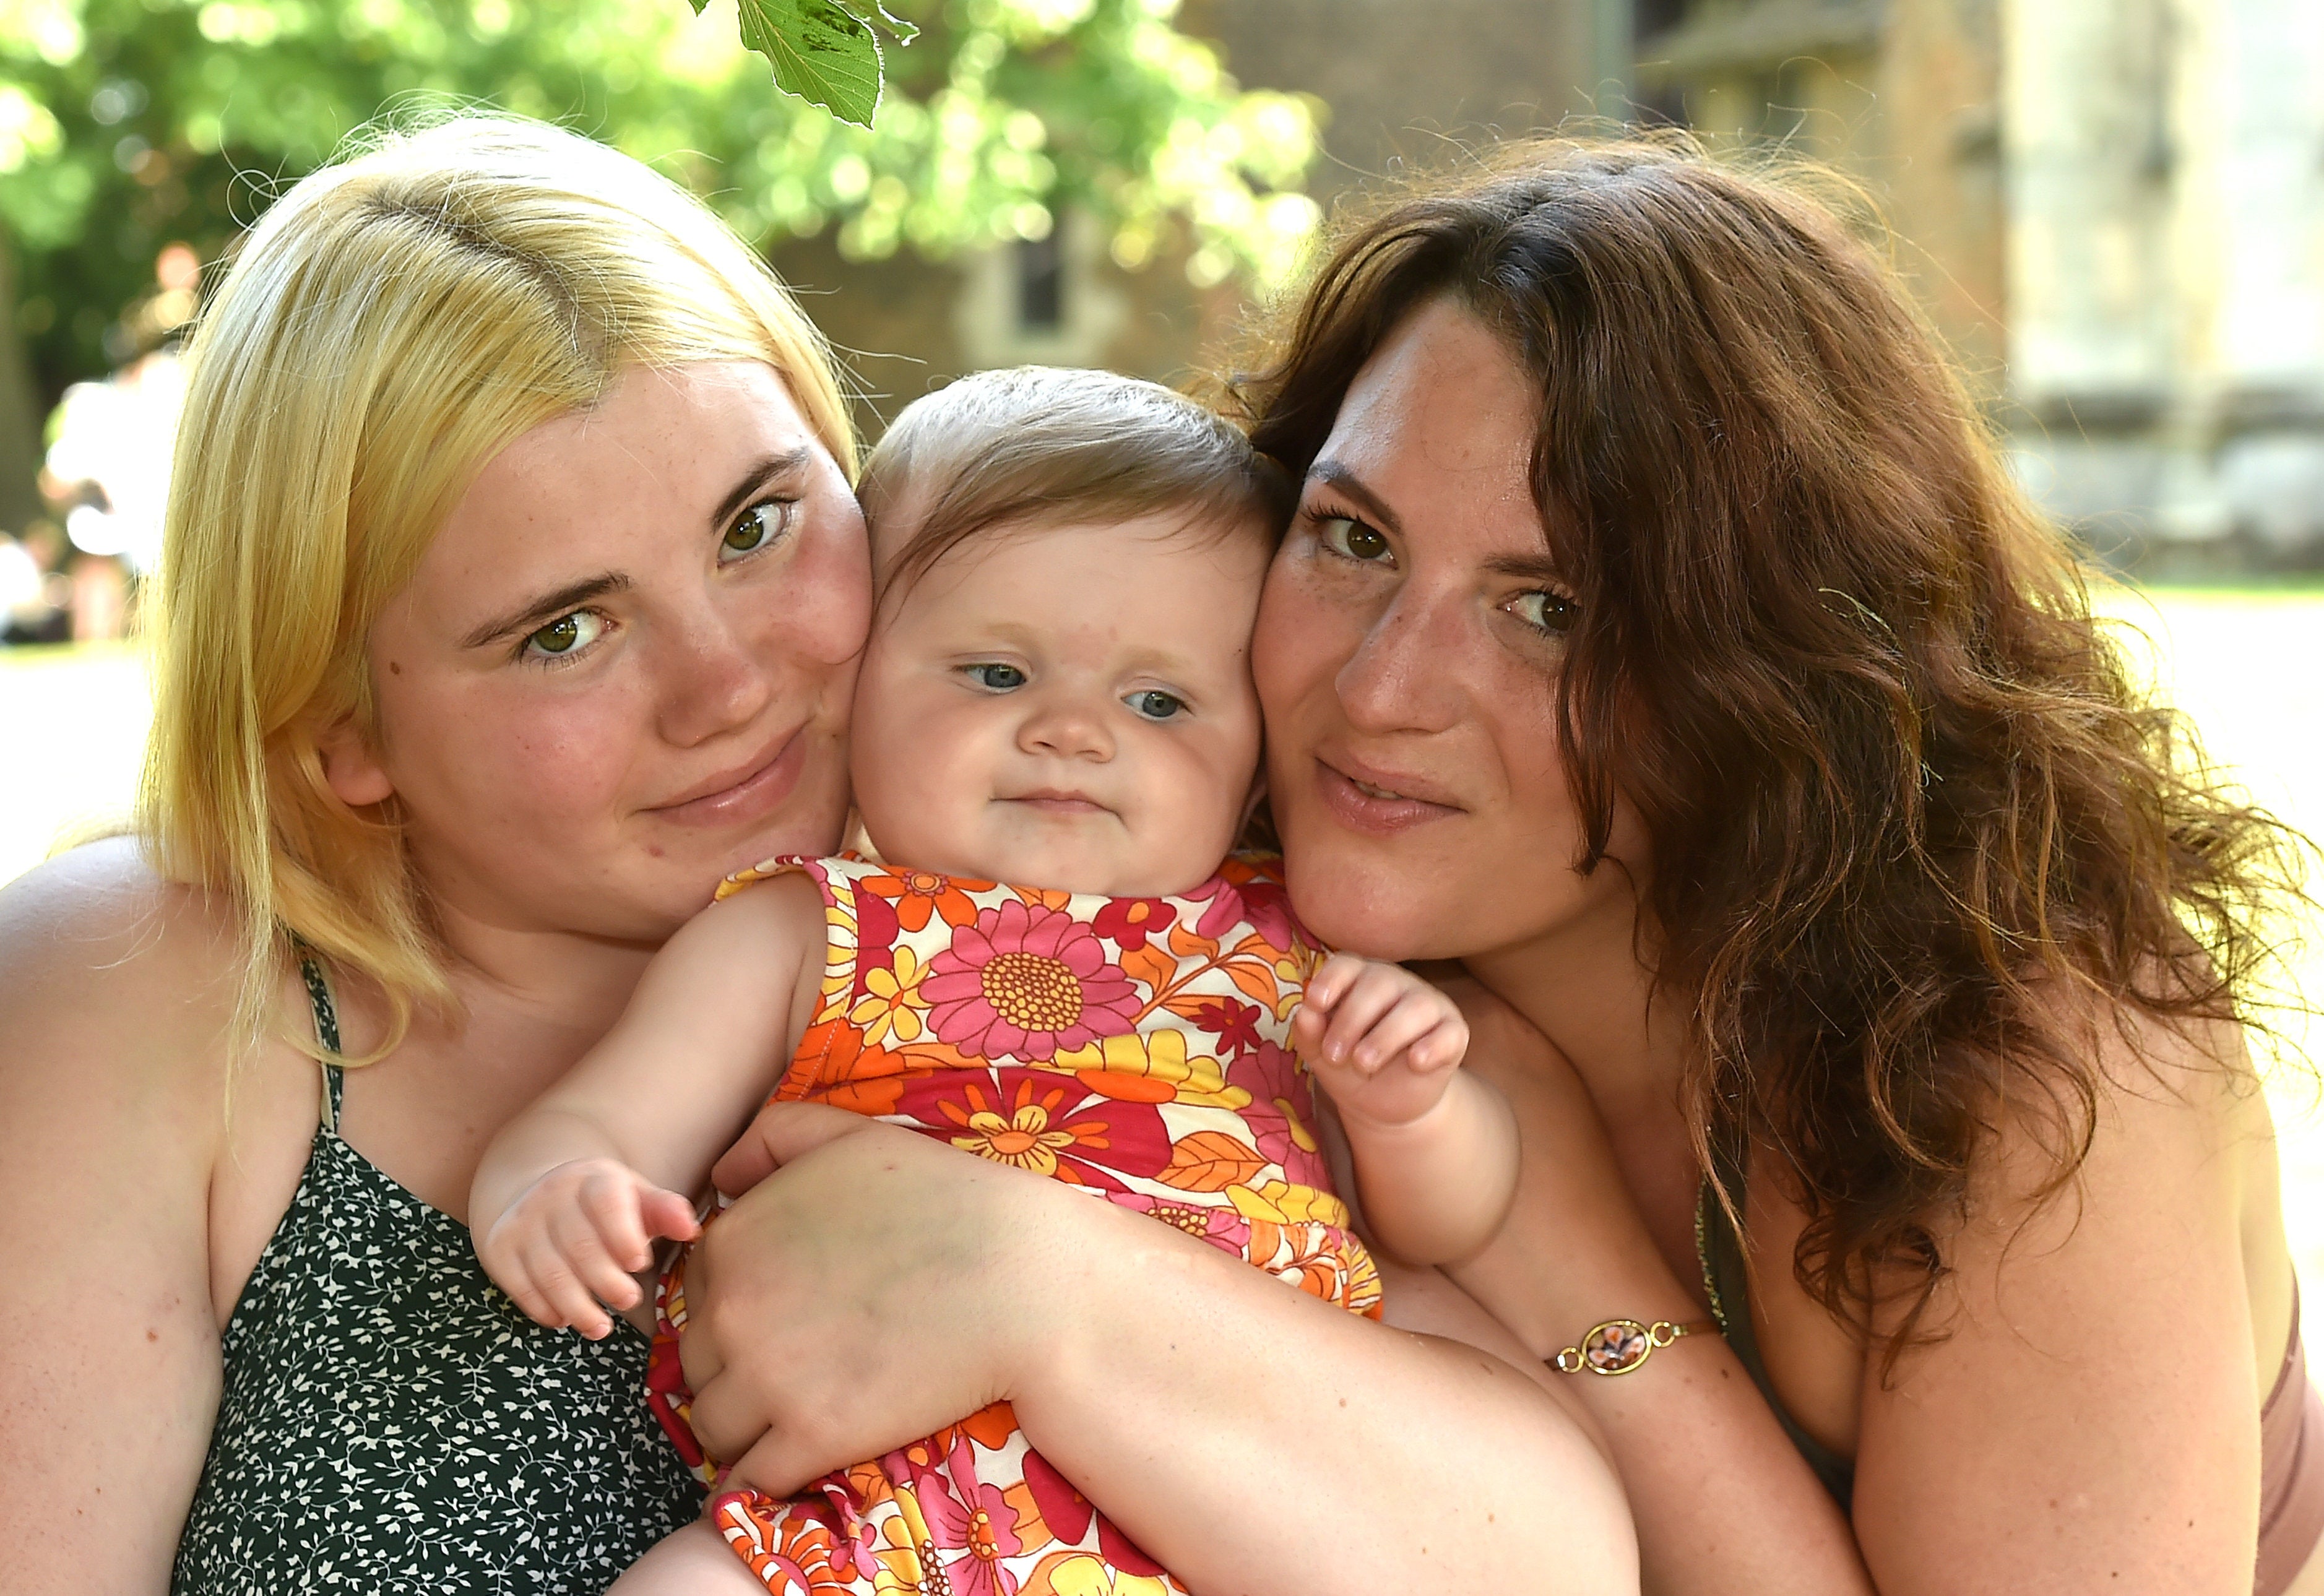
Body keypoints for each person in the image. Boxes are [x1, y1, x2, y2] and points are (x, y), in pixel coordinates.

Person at [667, 139, 2324, 1594]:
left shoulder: (2033, 1077)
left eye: (1550, 610)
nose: (1381, 689)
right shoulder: (1177, 915)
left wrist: (1555, 1248)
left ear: (1781, 667)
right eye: (1353, 538)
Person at [470, 364, 1522, 1594]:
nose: (1074, 731)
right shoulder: (812, 929)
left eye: (1159, 699)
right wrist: (560, 1190)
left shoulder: (1284, 947)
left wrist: (1413, 1111)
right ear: (860, 684)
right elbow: (607, 1116)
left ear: (1249, 760)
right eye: (997, 674)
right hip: (875, 1523)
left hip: (1218, 1508)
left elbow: (1447, 1223)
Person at [0, 114, 873, 1592]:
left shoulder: (1091, 931)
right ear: (341, 730)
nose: (727, 685)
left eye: (757, 525)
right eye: (564, 631)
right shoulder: (155, 992)